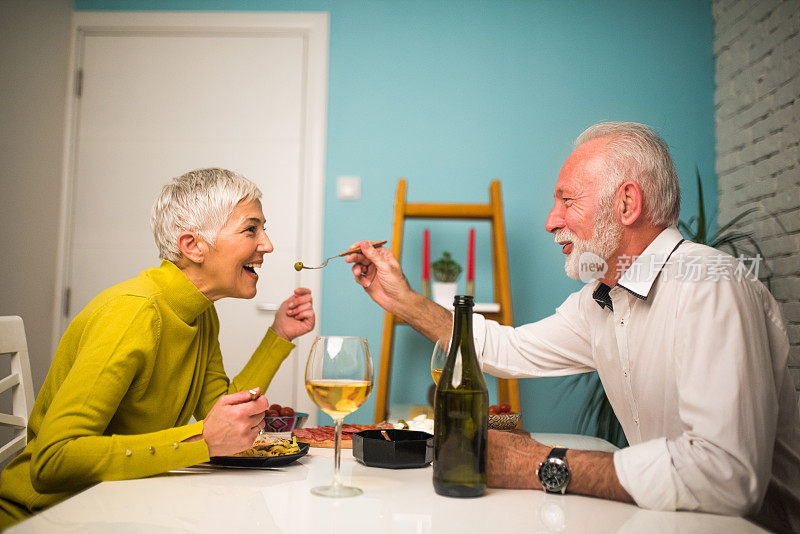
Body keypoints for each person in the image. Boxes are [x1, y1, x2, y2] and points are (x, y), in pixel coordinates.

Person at [345, 123, 800, 532]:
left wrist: (542, 463)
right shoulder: (599, 300)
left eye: (566, 199)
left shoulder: (710, 284)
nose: (550, 221)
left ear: (627, 203)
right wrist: (401, 300)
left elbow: (725, 477)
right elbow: (505, 349)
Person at [0, 168, 315, 528]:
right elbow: (53, 460)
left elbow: (220, 414)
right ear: (193, 246)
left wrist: (279, 335)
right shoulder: (133, 312)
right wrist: (200, 440)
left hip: (121, 507)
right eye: (251, 229)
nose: (267, 244)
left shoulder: (201, 313)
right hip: (46, 517)